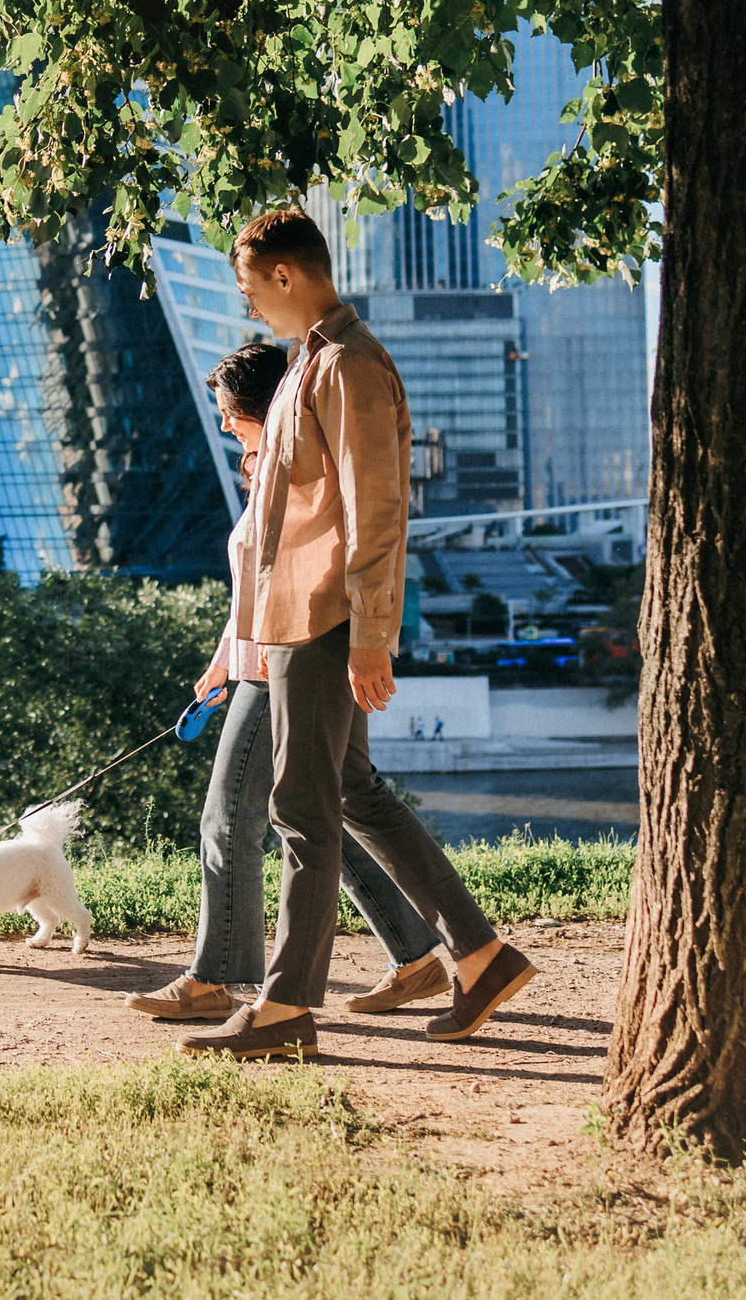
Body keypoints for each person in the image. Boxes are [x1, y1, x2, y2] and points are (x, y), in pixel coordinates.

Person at [181, 208, 536, 1060]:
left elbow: (376, 508)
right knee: (349, 794)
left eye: (249, 287)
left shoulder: (349, 366)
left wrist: (371, 633)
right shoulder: (311, 364)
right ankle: (480, 955)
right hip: (297, 619)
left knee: (300, 808)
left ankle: (285, 1007)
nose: (249, 305)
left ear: (287, 277)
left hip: (325, 620)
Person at [124, 340, 450, 1025]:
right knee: (323, 811)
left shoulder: (299, 469)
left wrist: (272, 655)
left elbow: (306, 572)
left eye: (226, 412)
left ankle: (217, 977)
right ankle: (417, 955)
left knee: (229, 819)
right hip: (265, 659)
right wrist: (221, 660)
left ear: (255, 406)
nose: (221, 424)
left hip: (283, 664)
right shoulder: (267, 467)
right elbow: (256, 586)